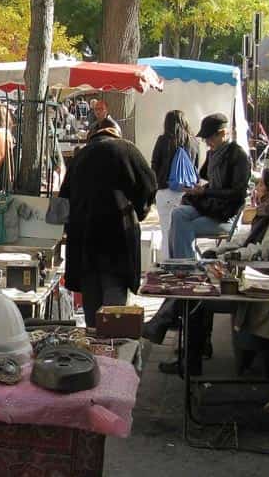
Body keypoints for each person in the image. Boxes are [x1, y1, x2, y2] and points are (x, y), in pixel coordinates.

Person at [165, 171, 269, 377]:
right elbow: (247, 241)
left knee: (197, 298)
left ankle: (185, 354)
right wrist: (219, 252)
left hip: (263, 292)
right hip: (255, 280)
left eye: (263, 186)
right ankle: (180, 340)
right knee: (196, 289)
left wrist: (227, 255)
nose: (259, 191)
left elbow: (261, 249)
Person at [58, 119, 157, 327]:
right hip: (117, 234)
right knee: (114, 297)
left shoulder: (80, 157)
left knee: (91, 295)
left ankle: (94, 347)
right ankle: (112, 345)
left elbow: (62, 202)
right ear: (116, 133)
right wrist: (139, 211)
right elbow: (149, 186)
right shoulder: (127, 149)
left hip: (85, 237)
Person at [168, 113, 251, 260]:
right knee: (177, 214)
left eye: (210, 138)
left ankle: (186, 268)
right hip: (210, 207)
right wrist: (195, 190)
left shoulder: (238, 156)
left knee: (183, 227)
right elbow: (204, 176)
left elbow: (237, 194)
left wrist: (206, 192)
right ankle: (180, 263)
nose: (207, 143)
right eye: (205, 139)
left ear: (223, 134)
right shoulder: (213, 154)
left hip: (226, 215)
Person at [150, 110, 200, 259]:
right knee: (186, 232)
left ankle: (168, 265)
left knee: (166, 232)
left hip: (165, 191)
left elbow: (154, 165)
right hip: (187, 193)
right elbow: (196, 168)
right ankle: (187, 262)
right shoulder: (194, 142)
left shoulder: (163, 141)